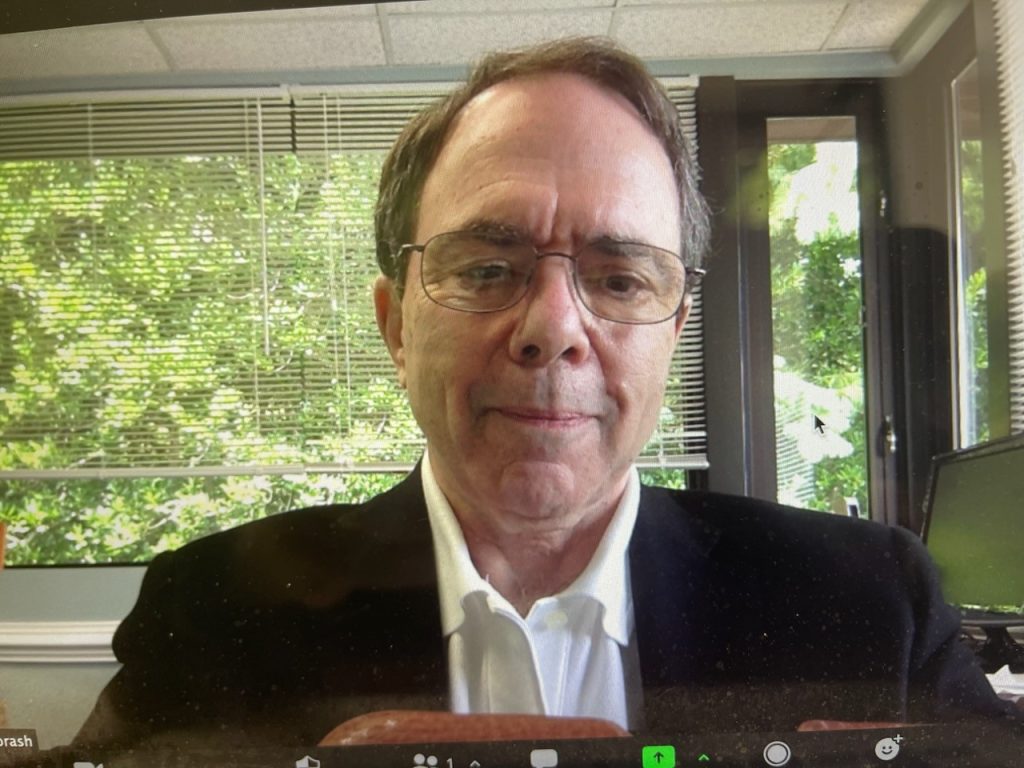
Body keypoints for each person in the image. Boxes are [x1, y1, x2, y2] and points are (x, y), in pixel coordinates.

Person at [73, 37, 1017, 750]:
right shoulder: (215, 615)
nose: (554, 327)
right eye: (487, 268)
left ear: (672, 332)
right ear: (396, 326)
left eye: (620, 278)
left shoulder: (867, 605)